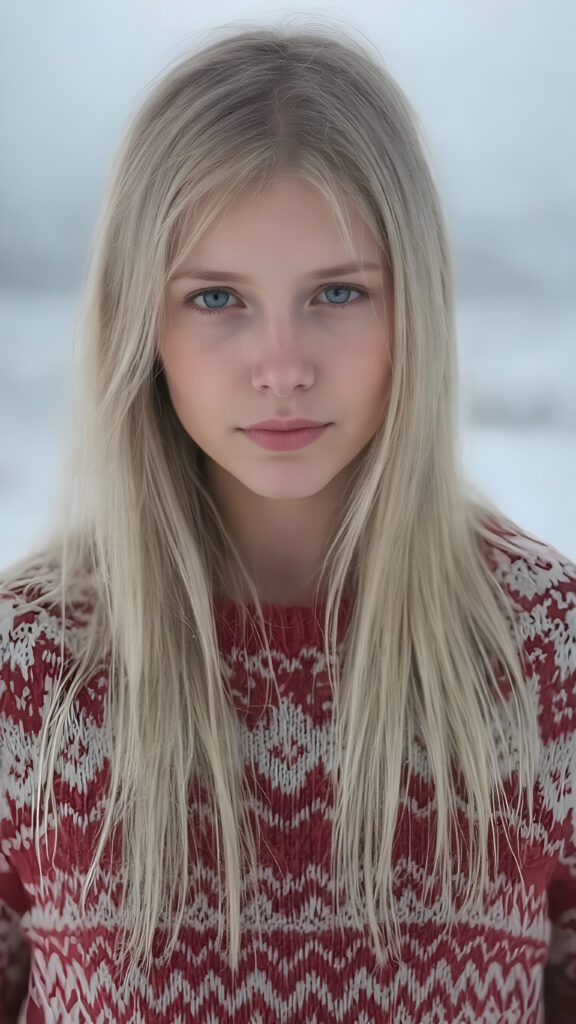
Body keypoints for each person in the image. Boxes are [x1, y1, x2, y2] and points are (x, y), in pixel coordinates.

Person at [1, 21, 575, 1024]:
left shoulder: (545, 651)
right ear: (142, 322)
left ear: (417, 313)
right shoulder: (30, 665)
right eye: (217, 297)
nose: (282, 364)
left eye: (338, 293)